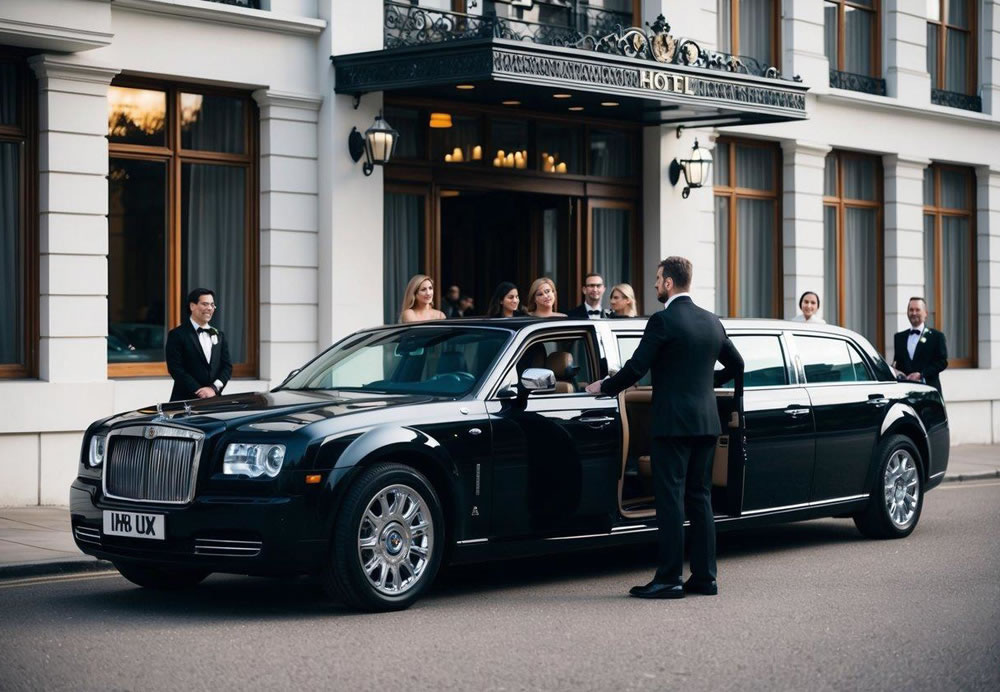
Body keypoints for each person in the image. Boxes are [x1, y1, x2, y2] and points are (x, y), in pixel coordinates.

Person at [586, 257, 743, 599]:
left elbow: (636, 367)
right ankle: (705, 578)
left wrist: (605, 387)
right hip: (706, 423)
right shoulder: (711, 321)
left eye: (658, 279)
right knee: (700, 499)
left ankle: (669, 578)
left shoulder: (663, 321)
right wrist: (706, 383)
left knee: (670, 499)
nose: (655, 285)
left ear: (669, 283)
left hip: (672, 424)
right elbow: (738, 364)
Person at [165, 288, 233, 402]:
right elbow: (175, 368)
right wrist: (199, 390)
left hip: (214, 399)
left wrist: (213, 388)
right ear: (192, 306)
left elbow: (227, 367)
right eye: (205, 304)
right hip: (185, 401)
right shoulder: (177, 334)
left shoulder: (220, 335)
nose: (210, 308)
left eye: (212, 305)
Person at [892, 296, 947, 395]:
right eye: (911, 310)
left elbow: (942, 362)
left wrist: (921, 375)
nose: (914, 313)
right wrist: (896, 372)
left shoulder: (936, 336)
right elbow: (897, 363)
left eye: (917, 310)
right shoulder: (899, 337)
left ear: (925, 313)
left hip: (929, 391)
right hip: (905, 392)